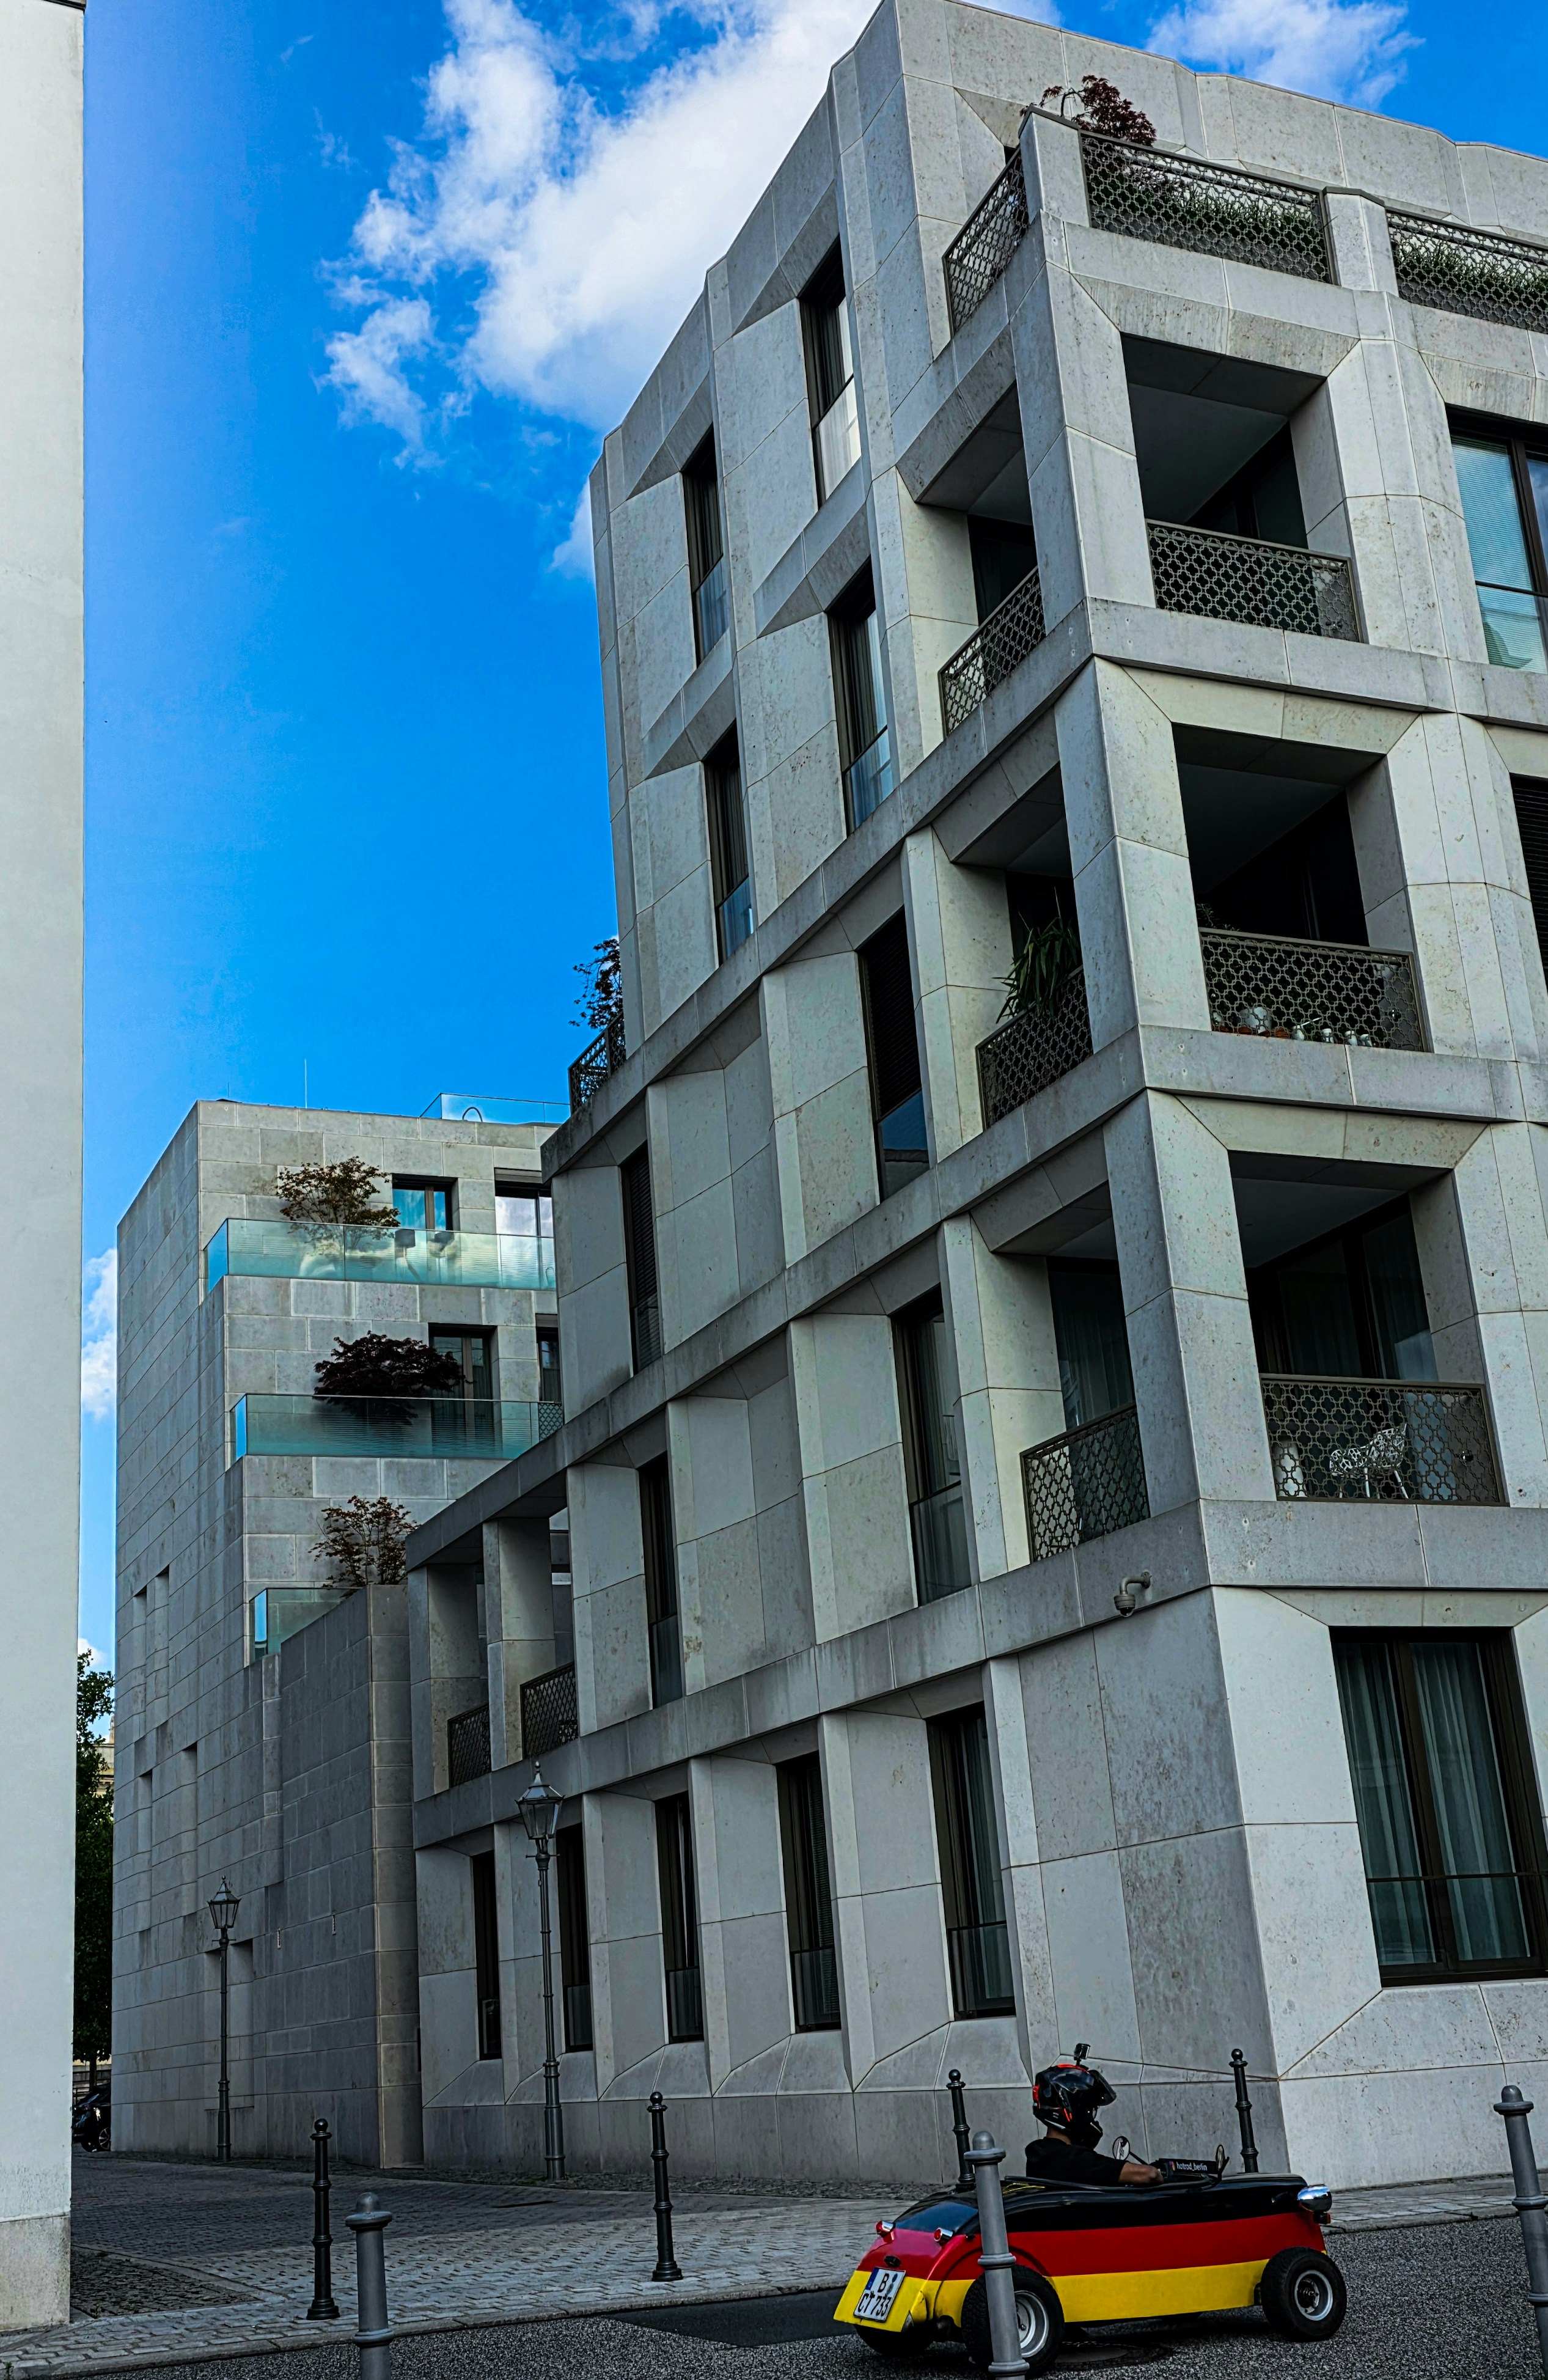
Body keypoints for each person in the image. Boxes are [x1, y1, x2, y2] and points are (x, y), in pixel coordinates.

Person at [1025, 2047, 1159, 2186]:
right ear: (1075, 2110)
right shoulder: (1065, 2159)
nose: (1092, 2119)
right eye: (1091, 2111)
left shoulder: (1043, 2157)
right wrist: (1163, 2172)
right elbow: (1149, 2175)